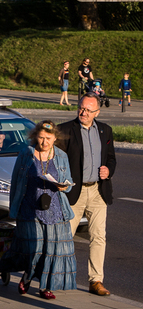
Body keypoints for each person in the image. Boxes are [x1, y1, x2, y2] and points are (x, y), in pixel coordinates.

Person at [5, 121, 77, 300]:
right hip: (30, 208)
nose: (44, 142)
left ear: (55, 138)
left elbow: (68, 181)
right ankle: (28, 276)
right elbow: (16, 182)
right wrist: (13, 208)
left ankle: (46, 286)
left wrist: (64, 187)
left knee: (50, 251)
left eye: (49, 138)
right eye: (41, 137)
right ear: (35, 136)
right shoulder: (26, 154)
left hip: (55, 209)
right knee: (35, 248)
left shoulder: (61, 156)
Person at [56, 93, 117, 296]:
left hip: (98, 191)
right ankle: (55, 276)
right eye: (81, 108)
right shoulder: (65, 130)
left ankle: (96, 280)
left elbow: (111, 158)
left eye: (88, 110)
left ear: (97, 112)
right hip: (75, 192)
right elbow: (54, 160)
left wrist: (108, 170)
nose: (83, 112)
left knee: (99, 237)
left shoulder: (104, 130)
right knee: (65, 237)